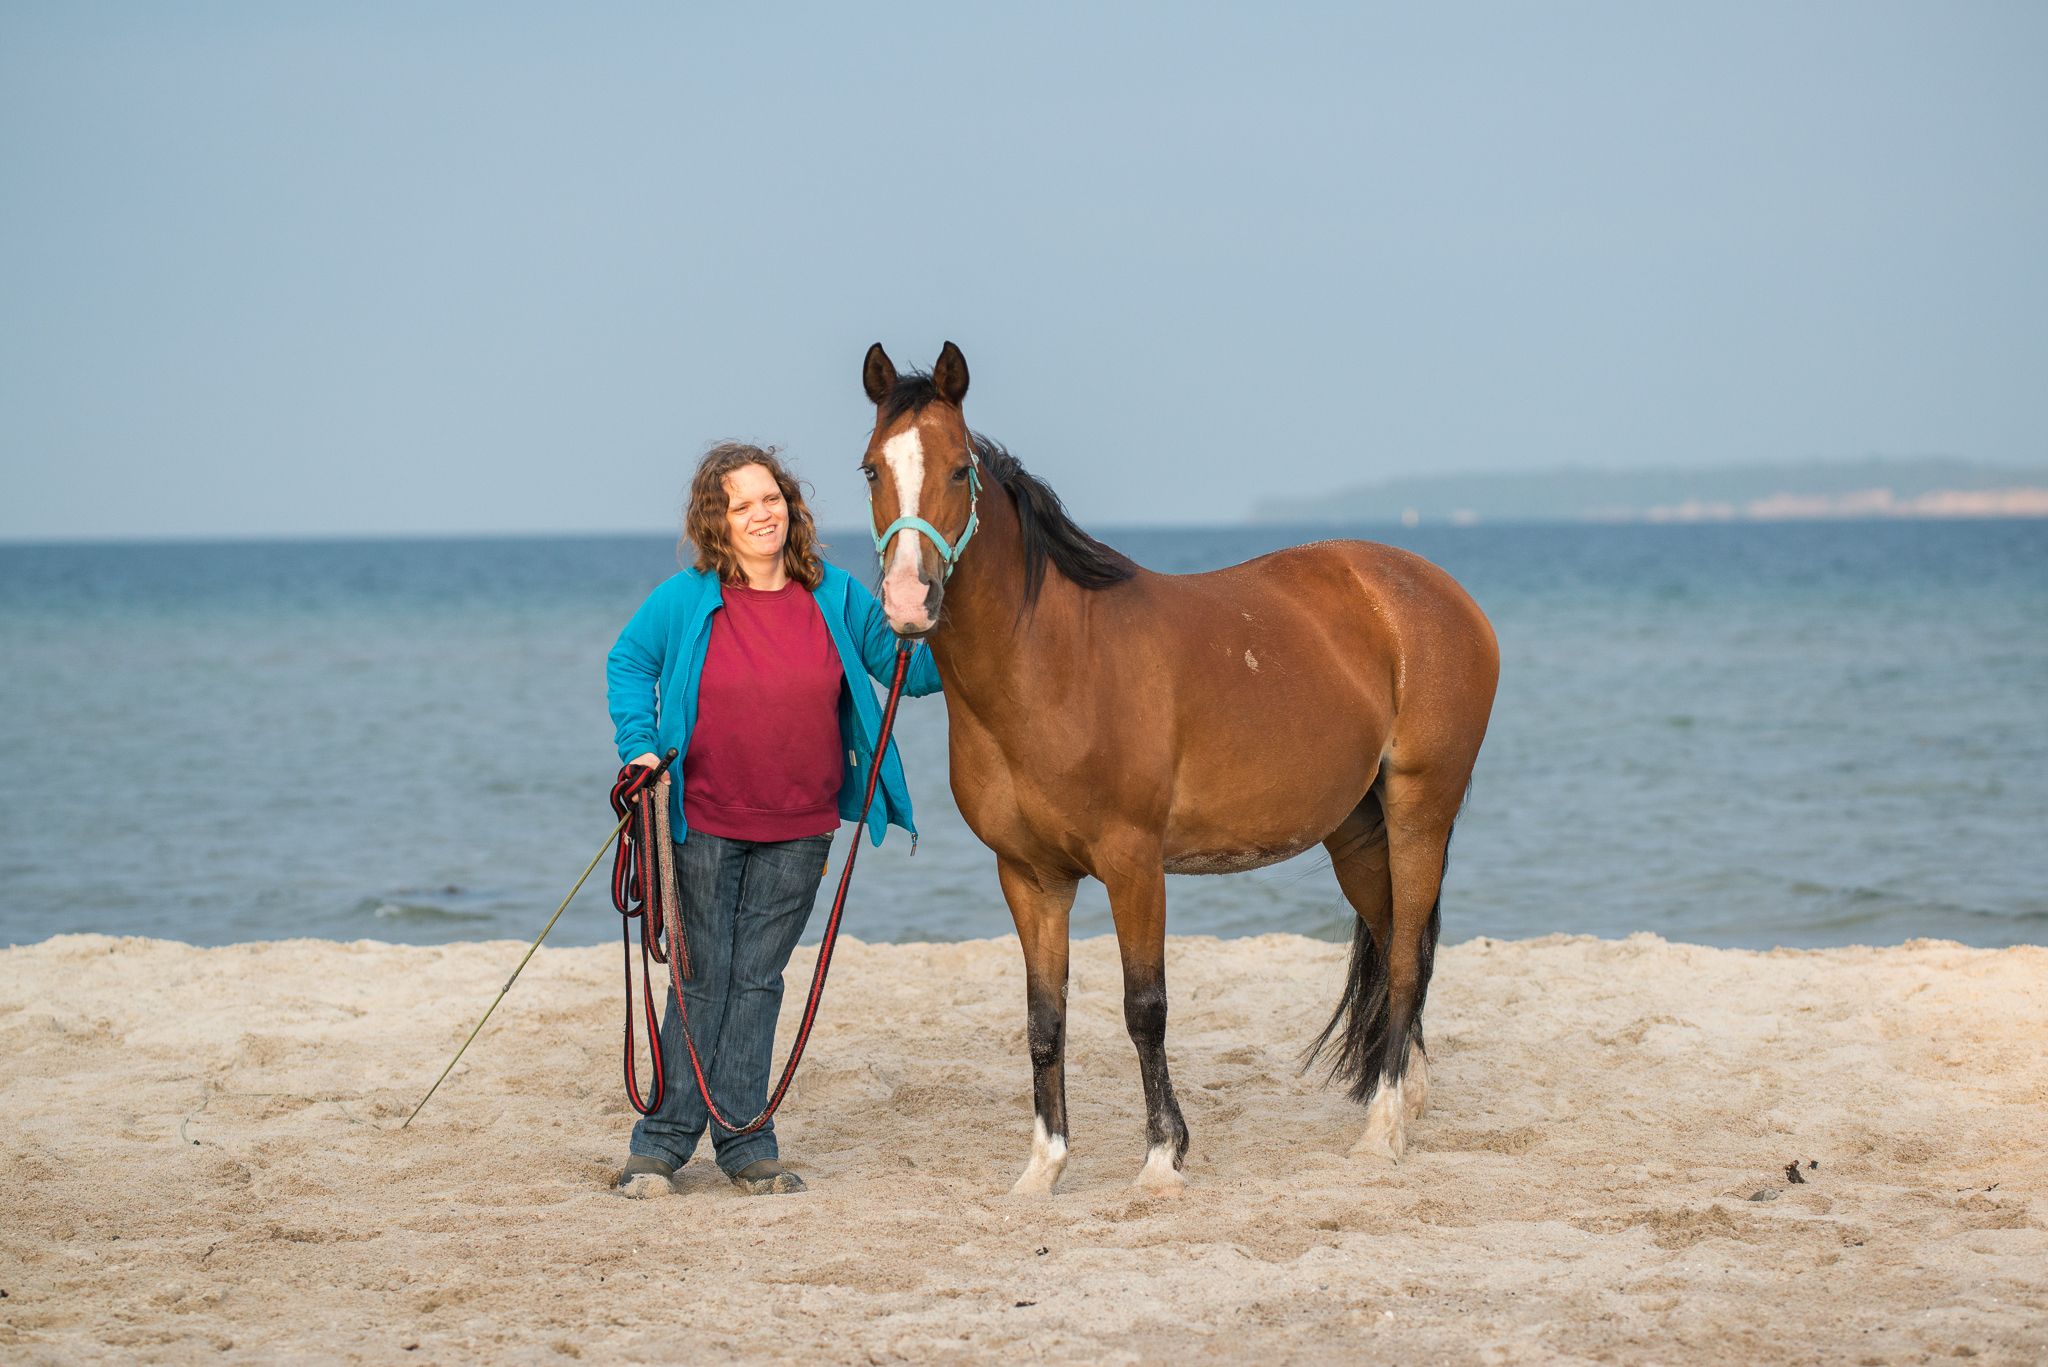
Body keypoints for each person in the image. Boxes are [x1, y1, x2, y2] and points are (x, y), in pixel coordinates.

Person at [607, 441, 940, 1195]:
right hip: (701, 819)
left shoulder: (837, 595)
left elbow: (912, 674)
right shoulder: (685, 598)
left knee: (758, 978)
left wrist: (920, 620)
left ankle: (745, 1143)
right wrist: (639, 747)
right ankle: (661, 1144)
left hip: (801, 826)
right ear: (717, 522)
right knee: (700, 977)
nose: (762, 514)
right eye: (742, 505)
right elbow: (628, 662)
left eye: (771, 498)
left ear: (790, 503)